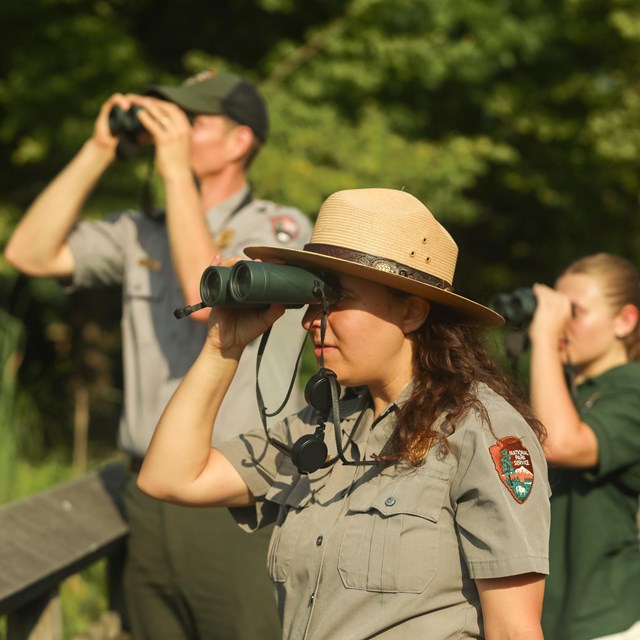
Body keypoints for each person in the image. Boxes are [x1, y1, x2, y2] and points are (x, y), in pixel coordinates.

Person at [138, 187, 551, 639]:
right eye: (314, 299)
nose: (314, 319)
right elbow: (170, 477)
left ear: (412, 312)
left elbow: (513, 628)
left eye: (339, 299)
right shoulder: (324, 427)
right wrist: (223, 348)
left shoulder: (479, 431)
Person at [4, 69, 313, 639]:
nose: (172, 132)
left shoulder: (277, 229)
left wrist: (174, 173)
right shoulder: (139, 231)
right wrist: (99, 150)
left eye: (193, 121)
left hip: (235, 491)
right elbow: (29, 252)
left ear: (239, 141)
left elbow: (208, 305)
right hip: (146, 493)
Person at [529, 253, 640, 640]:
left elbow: (559, 443)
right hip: (549, 618)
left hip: (606, 620)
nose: (560, 325)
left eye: (574, 312)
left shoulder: (633, 388)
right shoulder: (566, 394)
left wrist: (542, 337)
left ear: (624, 321)